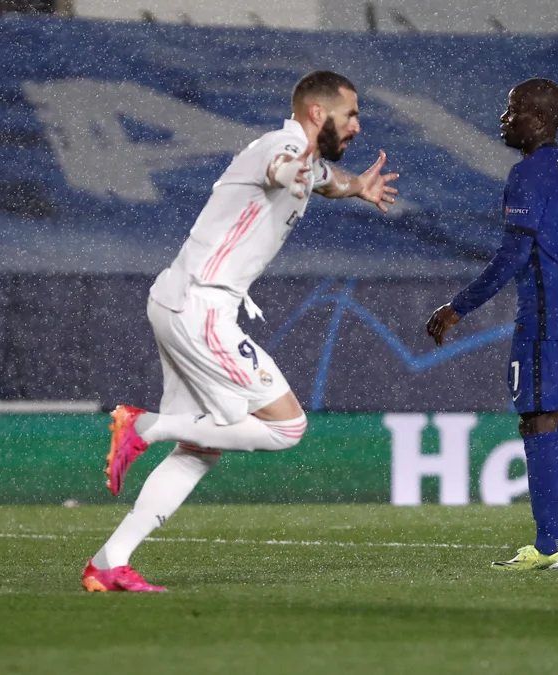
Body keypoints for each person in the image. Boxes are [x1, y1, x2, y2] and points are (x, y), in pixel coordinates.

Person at [82, 71, 399, 593]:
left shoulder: (307, 160)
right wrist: (294, 170)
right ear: (318, 114)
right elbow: (283, 169)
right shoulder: (282, 147)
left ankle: (109, 563)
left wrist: (357, 187)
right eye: (351, 115)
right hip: (201, 309)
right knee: (287, 428)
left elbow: (325, 180)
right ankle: (145, 426)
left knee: (200, 447)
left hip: (178, 300)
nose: (357, 127)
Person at [426, 78, 558, 571]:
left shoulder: (529, 172)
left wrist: (458, 306)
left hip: (548, 315)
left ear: (539, 119)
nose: (504, 119)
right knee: (553, 420)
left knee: (536, 421)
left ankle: (546, 548)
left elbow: (512, 254)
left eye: (513, 110)